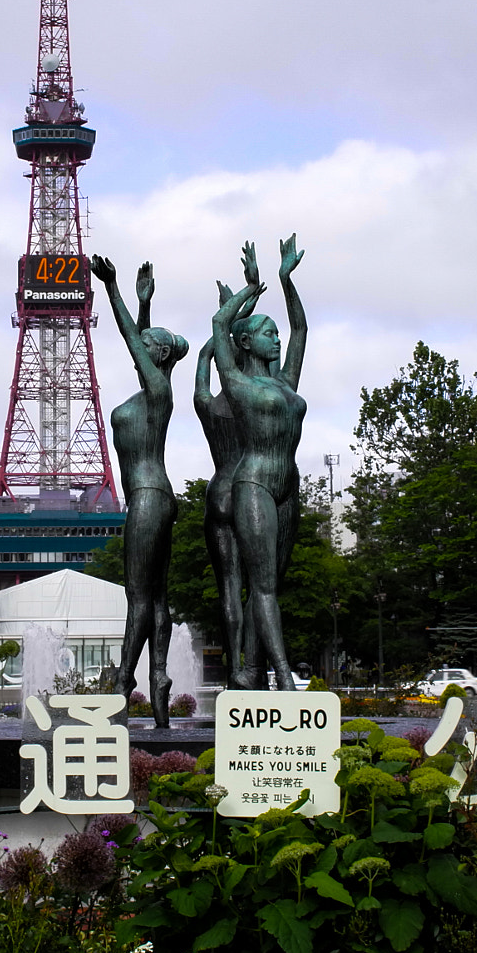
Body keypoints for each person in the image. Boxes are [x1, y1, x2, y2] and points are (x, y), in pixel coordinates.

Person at [90, 255, 189, 727]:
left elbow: (134, 343)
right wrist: (144, 305)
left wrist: (112, 289)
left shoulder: (158, 394)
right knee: (156, 599)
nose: (138, 347)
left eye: (149, 346)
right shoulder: (153, 393)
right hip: (156, 496)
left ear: (160, 358)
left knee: (138, 599)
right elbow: (141, 345)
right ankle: (160, 677)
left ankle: (124, 682)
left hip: (148, 496)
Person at [210, 237, 308, 691]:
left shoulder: (286, 382)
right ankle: (283, 680)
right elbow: (218, 322)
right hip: (254, 485)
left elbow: (301, 331)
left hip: (289, 486)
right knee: (263, 586)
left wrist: (286, 280)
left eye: (275, 331)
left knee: (269, 587)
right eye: (267, 331)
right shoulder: (236, 384)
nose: (276, 336)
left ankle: (251, 671)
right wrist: (249, 290)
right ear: (246, 341)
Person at [193, 282, 261, 687]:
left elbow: (207, 353)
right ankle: (253, 669)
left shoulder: (208, 404)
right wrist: (242, 312)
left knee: (229, 588)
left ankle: (234, 666)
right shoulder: (250, 398)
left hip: (218, 491)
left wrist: (226, 321)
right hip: (250, 490)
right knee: (260, 588)